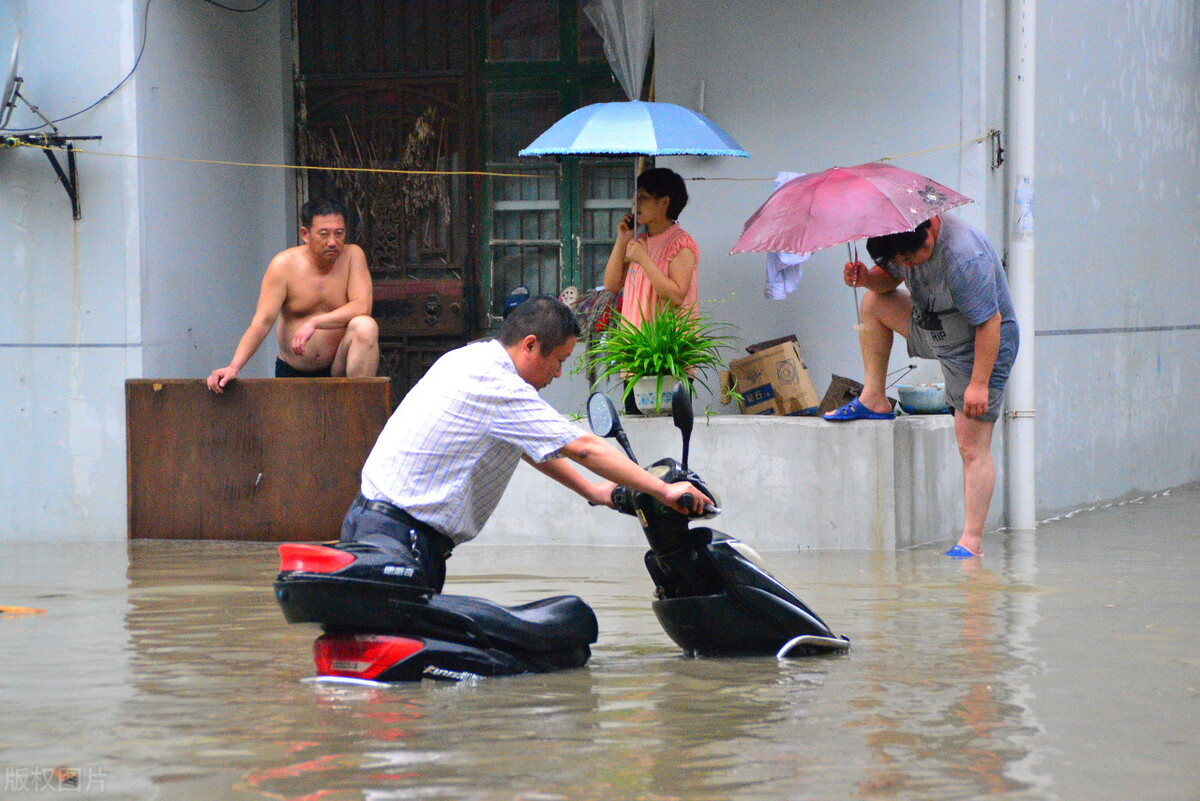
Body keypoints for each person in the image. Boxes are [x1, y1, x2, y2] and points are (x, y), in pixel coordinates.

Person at [340, 295, 711, 592]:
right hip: (399, 539)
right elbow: (584, 447)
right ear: (530, 345)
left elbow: (529, 444)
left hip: (370, 521)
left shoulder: (469, 360)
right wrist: (663, 491)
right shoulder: (500, 386)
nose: (559, 373)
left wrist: (594, 491)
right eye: (560, 360)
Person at [822, 215, 1019, 559]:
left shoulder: (964, 257)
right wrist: (867, 278)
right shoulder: (897, 241)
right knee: (874, 304)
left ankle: (971, 541)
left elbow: (990, 322)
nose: (910, 265)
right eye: (902, 261)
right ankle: (874, 398)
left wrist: (978, 384)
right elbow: (889, 284)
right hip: (935, 327)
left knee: (971, 446)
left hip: (977, 347)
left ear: (930, 226)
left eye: (915, 256)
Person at [207, 197, 379, 392]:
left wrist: (314, 322)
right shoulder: (284, 265)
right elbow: (263, 321)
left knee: (365, 326)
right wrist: (233, 367)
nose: (333, 242)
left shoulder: (352, 256)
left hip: (336, 368)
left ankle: (360, 405)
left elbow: (362, 306)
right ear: (305, 234)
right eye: (324, 234)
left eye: (339, 234)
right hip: (294, 369)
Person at [602, 167, 700, 412]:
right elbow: (611, 284)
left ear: (664, 202)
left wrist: (645, 261)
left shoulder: (680, 244)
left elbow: (678, 294)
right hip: (636, 356)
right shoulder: (639, 242)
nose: (636, 205)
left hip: (666, 359)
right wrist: (622, 239)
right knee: (636, 430)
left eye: (644, 198)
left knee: (669, 433)